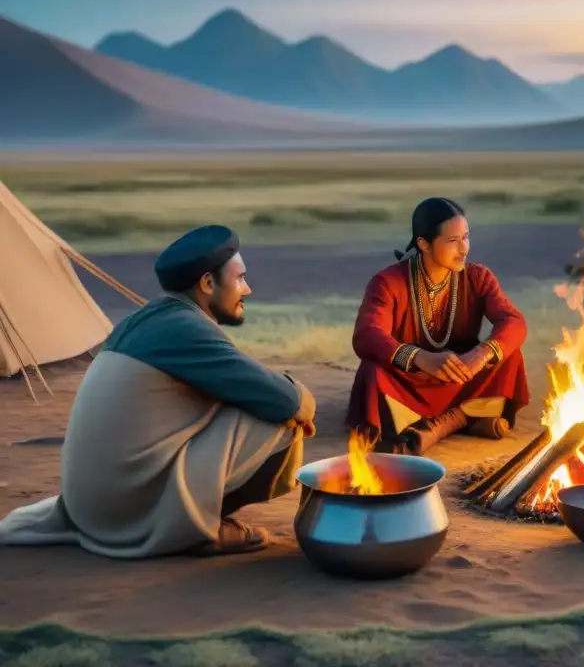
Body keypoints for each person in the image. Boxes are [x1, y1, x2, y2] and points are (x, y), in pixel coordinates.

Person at [0, 226, 316, 558]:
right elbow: (288, 401)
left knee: (253, 404)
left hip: (88, 505)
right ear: (207, 284)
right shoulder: (186, 329)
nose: (247, 289)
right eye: (239, 278)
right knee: (281, 421)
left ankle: (190, 515)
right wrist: (299, 405)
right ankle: (192, 531)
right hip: (120, 512)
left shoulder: (150, 318)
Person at [348, 197, 530, 454]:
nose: (464, 249)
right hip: (412, 380)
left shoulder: (478, 277)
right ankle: (470, 416)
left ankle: (440, 425)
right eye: (452, 241)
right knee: (372, 371)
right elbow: (367, 334)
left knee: (510, 355)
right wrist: (421, 358)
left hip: (460, 374)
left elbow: (513, 321)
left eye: (466, 237)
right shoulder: (388, 282)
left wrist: (481, 353)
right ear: (423, 243)